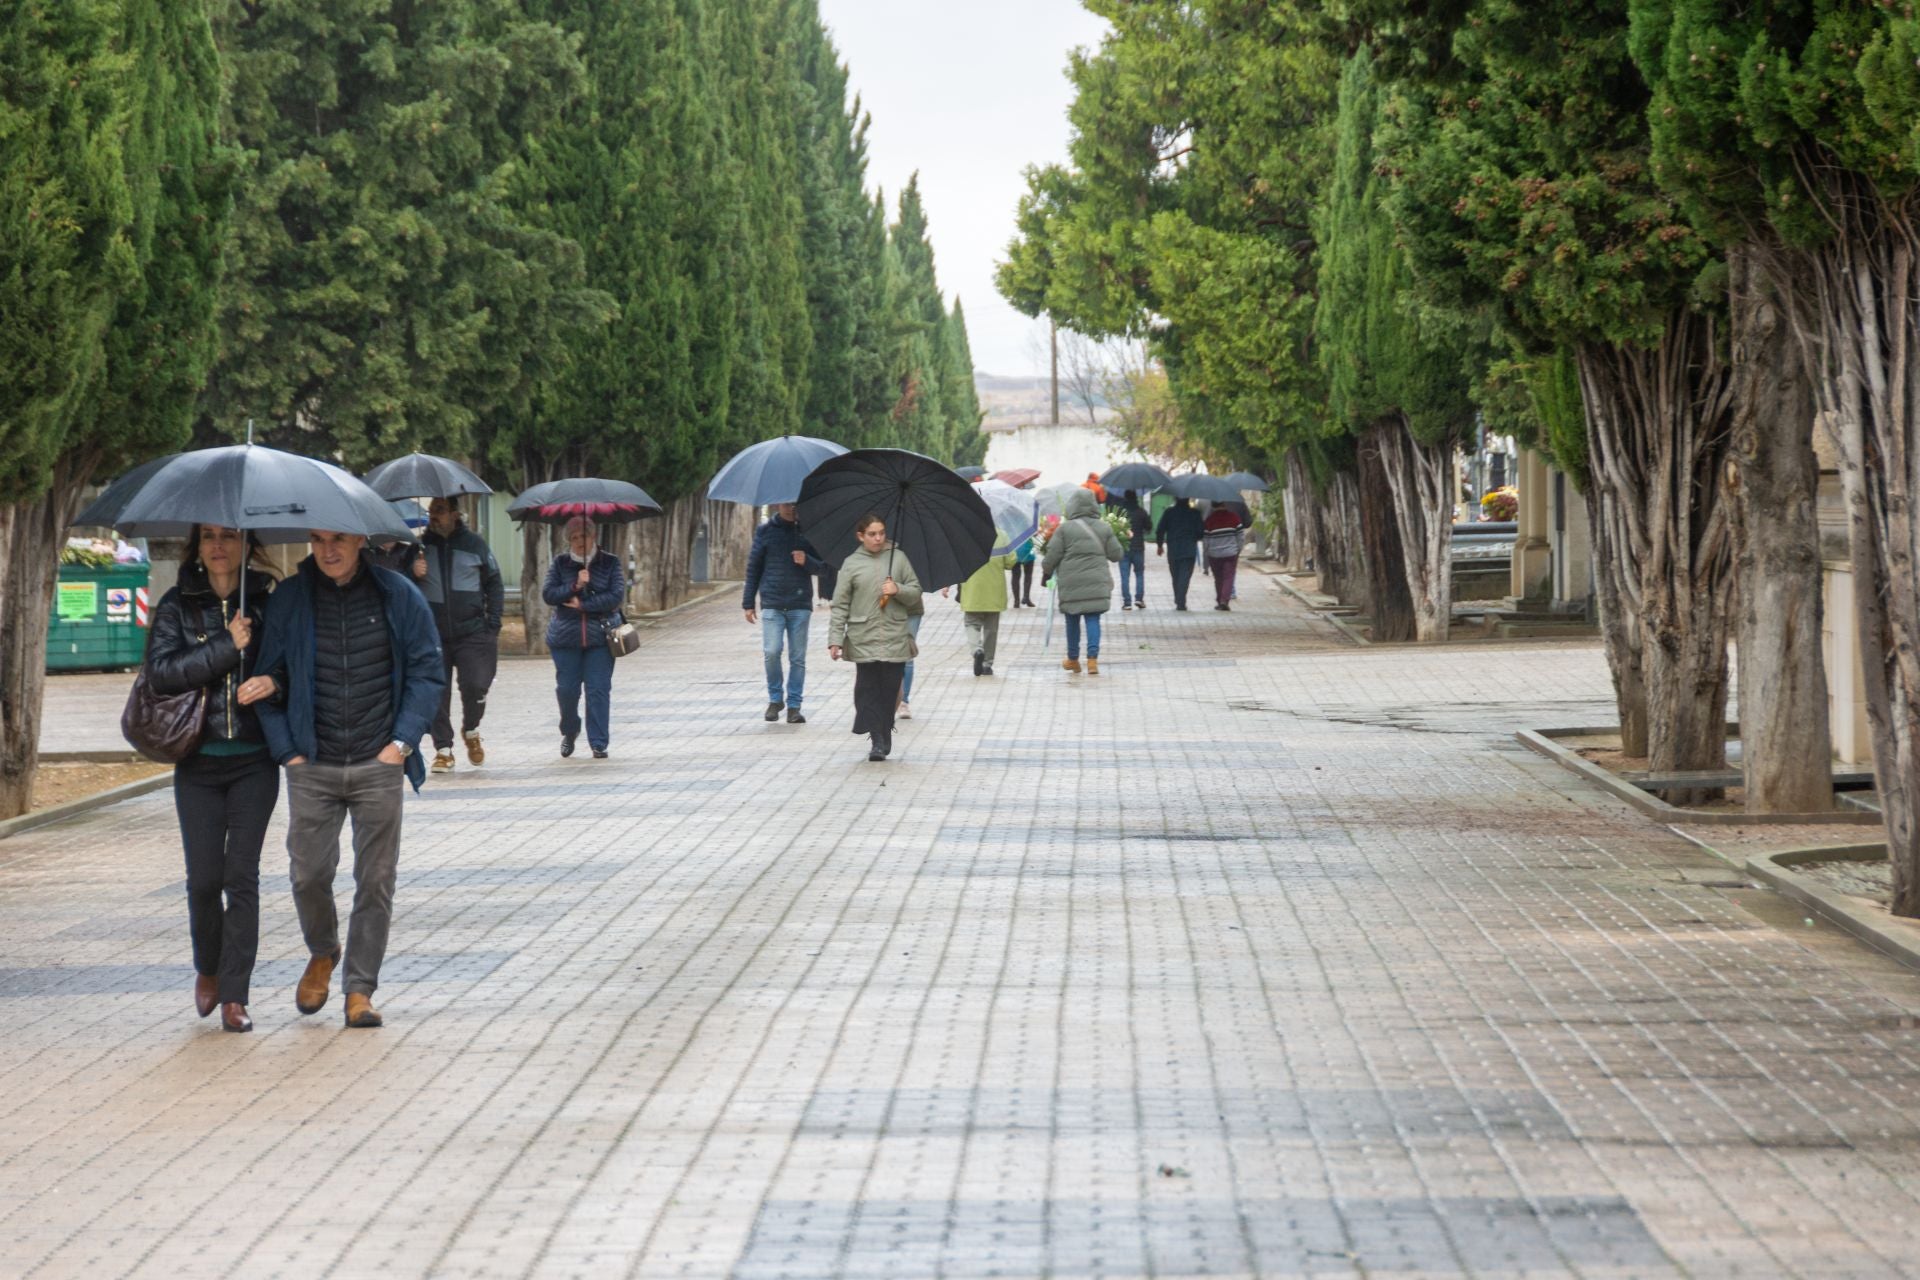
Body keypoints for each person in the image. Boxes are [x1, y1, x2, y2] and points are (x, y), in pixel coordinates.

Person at [254, 529, 444, 1030]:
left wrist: (400, 744)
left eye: (338, 539)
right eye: (317, 540)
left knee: (375, 881)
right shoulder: (290, 599)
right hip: (311, 763)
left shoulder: (397, 594)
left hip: (376, 762)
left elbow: (428, 670)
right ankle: (323, 950)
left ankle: (359, 990)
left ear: (361, 540)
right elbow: (267, 675)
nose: (328, 550)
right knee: (307, 875)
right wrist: (288, 753)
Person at [145, 525, 282, 1033]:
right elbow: (160, 673)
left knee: (239, 878)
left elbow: (292, 665)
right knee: (203, 881)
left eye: (228, 536)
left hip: (254, 759)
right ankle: (208, 965)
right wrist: (227, 645)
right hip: (197, 760)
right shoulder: (176, 604)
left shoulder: (269, 602)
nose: (218, 545)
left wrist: (274, 680)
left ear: (248, 544)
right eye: (208, 537)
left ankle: (234, 994)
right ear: (197, 546)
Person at [414, 497, 503, 771]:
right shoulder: (419, 548)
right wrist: (412, 570)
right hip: (433, 635)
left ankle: (472, 730)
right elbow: (401, 585)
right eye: (431, 511)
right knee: (435, 693)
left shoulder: (475, 544)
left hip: (473, 632)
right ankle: (443, 749)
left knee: (475, 685)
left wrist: (493, 625)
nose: (433, 516)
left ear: (455, 514)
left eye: (439, 511)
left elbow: (495, 583)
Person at [828, 513, 923, 761]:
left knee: (890, 688)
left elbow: (915, 593)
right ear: (861, 536)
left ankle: (883, 732)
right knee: (866, 689)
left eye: (881, 532)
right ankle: (876, 735)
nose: (878, 538)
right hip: (863, 634)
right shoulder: (851, 563)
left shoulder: (899, 558)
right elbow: (840, 604)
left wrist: (897, 589)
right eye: (872, 534)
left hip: (894, 633)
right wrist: (835, 638)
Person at [543, 516, 627, 759]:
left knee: (598, 689)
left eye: (585, 536)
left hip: (600, 637)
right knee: (567, 690)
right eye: (575, 537)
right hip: (565, 638)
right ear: (569, 540)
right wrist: (575, 585)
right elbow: (549, 594)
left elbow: (615, 596)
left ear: (594, 537)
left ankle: (599, 742)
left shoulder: (609, 562)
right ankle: (569, 731)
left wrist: (583, 604)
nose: (580, 541)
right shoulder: (560, 564)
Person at [743, 502, 823, 724]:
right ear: (778, 505)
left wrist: (806, 560)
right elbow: (754, 567)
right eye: (787, 504)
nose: (792, 508)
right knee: (771, 651)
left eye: (796, 504)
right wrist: (748, 602)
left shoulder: (808, 531)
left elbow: (823, 567)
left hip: (799, 604)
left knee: (797, 658)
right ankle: (775, 698)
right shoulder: (765, 531)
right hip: (772, 602)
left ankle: (794, 706)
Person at [1044, 488, 1123, 675]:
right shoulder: (1104, 527)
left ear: (1072, 506)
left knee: (1072, 620)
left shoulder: (1064, 529)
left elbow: (1052, 555)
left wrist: (1046, 571)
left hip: (1071, 582)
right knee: (1093, 618)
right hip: (1097, 581)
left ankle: (1073, 659)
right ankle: (1092, 661)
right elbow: (1116, 554)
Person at [948, 551, 1016, 675]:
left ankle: (977, 650)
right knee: (991, 630)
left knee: (971, 624)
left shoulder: (965, 535)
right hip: (994, 594)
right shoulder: (1001, 535)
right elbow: (1010, 562)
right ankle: (987, 664)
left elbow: (956, 561)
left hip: (972, 593)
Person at [1156, 497, 1205, 611]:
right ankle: (1180, 599)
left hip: (1173, 548)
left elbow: (1160, 529)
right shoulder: (1195, 513)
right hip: (1189, 549)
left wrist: (1160, 545)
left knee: (1175, 575)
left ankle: (1179, 598)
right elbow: (1201, 532)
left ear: (1175, 499)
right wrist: (1194, 537)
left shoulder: (1169, 512)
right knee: (1185, 575)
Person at [1204, 503, 1246, 611]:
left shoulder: (1210, 520)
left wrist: (1207, 551)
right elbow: (1241, 536)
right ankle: (1224, 600)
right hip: (1230, 553)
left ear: (1213, 505)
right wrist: (1238, 549)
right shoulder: (1234, 517)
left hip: (1214, 554)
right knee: (1228, 577)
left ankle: (1219, 600)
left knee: (1218, 578)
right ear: (1225, 505)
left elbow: (1206, 539)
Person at [1116, 489, 1152, 610]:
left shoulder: (1120, 512)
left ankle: (1127, 603)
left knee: (1124, 576)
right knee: (1139, 574)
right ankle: (1139, 599)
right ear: (1136, 498)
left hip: (1124, 547)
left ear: (1125, 498)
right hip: (1138, 548)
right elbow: (1149, 527)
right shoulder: (1141, 511)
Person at [1009, 534, 1036, 607]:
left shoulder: (1009, 524)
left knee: (1015, 577)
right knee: (1028, 576)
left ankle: (1016, 601)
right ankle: (1026, 597)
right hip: (1028, 550)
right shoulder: (1029, 524)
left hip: (1015, 550)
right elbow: (1035, 534)